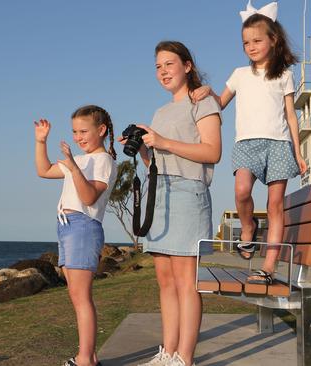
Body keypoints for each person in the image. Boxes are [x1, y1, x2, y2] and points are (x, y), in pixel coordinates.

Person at [192, 1, 307, 285]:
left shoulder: (284, 75)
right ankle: (248, 228)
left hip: (279, 145)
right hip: (246, 143)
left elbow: (291, 117)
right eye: (246, 43)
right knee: (242, 191)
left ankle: (268, 267)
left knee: (275, 205)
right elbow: (219, 104)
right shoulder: (240, 74)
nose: (251, 46)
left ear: (273, 39)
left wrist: (299, 152)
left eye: (257, 40)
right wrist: (208, 91)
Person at [122, 41, 222, 366]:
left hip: (187, 193)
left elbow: (212, 152)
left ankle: (185, 358)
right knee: (165, 280)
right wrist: (144, 149)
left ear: (187, 66)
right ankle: (167, 353)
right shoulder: (160, 112)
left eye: (169, 64)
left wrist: (163, 141)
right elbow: (161, 158)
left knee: (185, 282)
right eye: (158, 66)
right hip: (158, 194)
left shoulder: (203, 102)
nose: (163, 71)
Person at [34, 105, 118, 366]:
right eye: (74, 132)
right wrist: (41, 141)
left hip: (83, 226)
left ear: (101, 130)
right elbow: (44, 170)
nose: (78, 137)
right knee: (76, 296)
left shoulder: (104, 161)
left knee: (81, 297)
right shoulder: (80, 160)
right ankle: (89, 356)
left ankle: (86, 359)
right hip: (67, 226)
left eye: (84, 131)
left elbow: (89, 196)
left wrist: (73, 166)